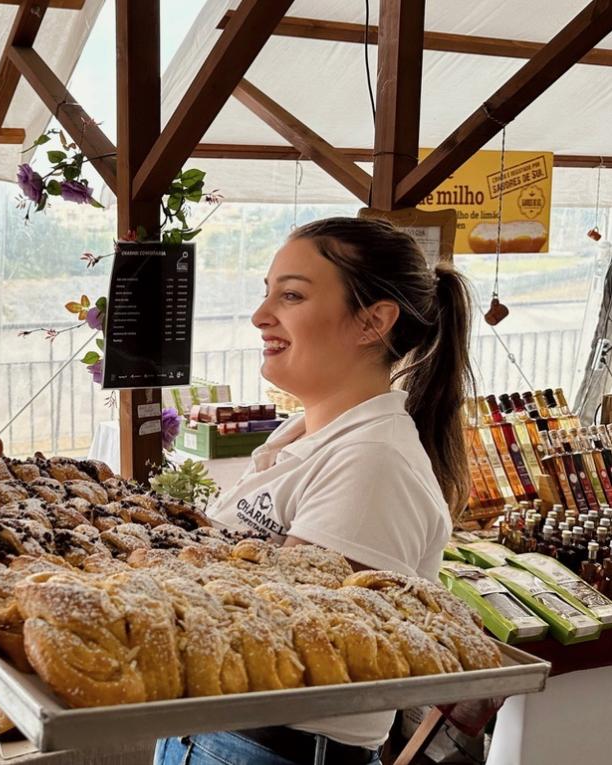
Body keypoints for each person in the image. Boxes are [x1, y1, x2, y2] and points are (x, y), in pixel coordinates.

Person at [154, 217, 474, 765]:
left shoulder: (373, 463)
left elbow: (290, 638)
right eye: (267, 293)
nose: (260, 316)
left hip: (276, 748)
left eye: (292, 295)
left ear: (373, 322)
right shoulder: (304, 435)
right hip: (220, 735)